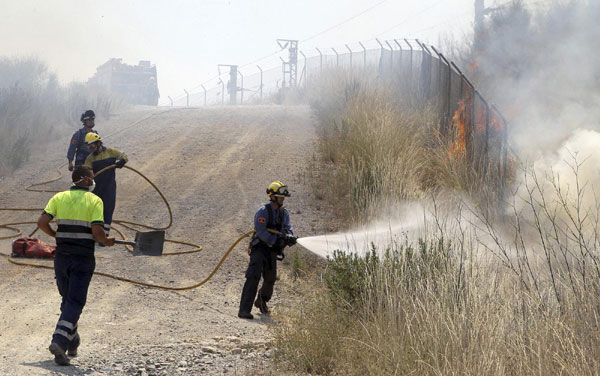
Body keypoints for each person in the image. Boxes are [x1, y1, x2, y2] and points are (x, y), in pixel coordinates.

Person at [37, 165, 115, 366]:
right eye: (91, 178)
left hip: (61, 257)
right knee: (75, 301)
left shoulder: (59, 197)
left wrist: (55, 235)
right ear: (86, 181)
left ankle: (73, 341)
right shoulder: (94, 200)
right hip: (82, 258)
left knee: (68, 300)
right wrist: (106, 241)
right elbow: (98, 232)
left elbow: (42, 221)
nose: (93, 181)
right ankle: (59, 341)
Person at [238, 181, 297, 319]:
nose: (282, 199)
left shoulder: (284, 213)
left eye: (283, 197)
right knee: (253, 277)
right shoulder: (263, 211)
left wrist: (289, 237)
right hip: (260, 248)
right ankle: (244, 310)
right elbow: (261, 231)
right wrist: (275, 240)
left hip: (272, 251)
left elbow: (288, 227)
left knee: (270, 279)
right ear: (273, 197)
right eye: (280, 197)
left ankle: (261, 301)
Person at [83, 133, 128, 238]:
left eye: (92, 147)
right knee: (96, 211)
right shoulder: (90, 159)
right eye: (89, 148)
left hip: (109, 187)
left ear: (99, 143)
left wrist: (121, 162)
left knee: (108, 210)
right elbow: (88, 171)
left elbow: (124, 156)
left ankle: (104, 236)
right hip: (96, 188)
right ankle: (94, 234)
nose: (91, 149)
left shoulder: (110, 152)